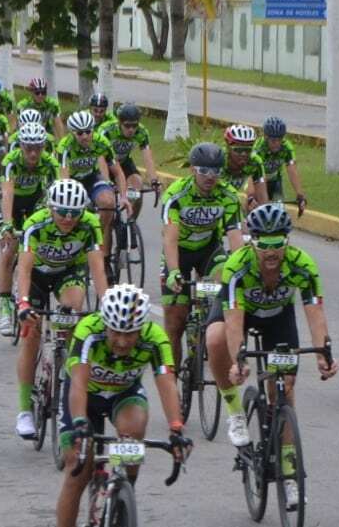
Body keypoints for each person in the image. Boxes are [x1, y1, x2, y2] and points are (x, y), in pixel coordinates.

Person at [50, 284, 190, 527]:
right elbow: (78, 386)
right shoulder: (89, 331)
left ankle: (124, 492)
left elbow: (166, 384)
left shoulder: (155, 339)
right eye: (116, 333)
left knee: (135, 429)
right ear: (106, 325)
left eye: (131, 334)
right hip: (84, 396)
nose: (123, 341)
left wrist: (176, 428)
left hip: (124, 394)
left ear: (142, 328)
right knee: (78, 468)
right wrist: (82, 425)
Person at [205, 203, 338, 507]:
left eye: (277, 242)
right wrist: (238, 360)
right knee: (214, 338)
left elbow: (314, 311)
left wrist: (323, 353)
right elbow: (233, 319)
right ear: (252, 241)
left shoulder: (303, 264)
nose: (271, 251)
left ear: (287, 241)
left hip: (278, 317)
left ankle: (290, 473)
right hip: (242, 313)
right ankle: (235, 412)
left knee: (284, 389)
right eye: (263, 243)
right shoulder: (237, 266)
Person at [13, 180, 107, 440]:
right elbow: (23, 268)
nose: (68, 218)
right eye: (62, 212)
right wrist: (23, 303)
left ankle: (66, 366)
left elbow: (98, 268)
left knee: (74, 308)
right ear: (51, 208)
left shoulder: (90, 224)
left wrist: (107, 304)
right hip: (36, 277)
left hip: (68, 272)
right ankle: (24, 411)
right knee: (31, 334)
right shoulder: (36, 224)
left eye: (74, 213)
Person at [159, 142, 245, 365]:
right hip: (179, 251)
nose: (210, 176)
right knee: (174, 320)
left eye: (216, 171)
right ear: (192, 170)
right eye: (204, 171)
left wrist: (242, 272)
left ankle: (207, 323)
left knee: (224, 276)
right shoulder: (176, 195)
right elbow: (170, 238)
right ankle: (174, 376)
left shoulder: (228, 196)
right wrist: (174, 272)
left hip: (209, 249)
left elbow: (235, 238)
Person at [0, 123, 61, 335]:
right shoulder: (10, 162)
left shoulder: (50, 163)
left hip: (35, 203)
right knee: (9, 249)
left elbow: (55, 197)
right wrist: (7, 224)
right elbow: (7, 193)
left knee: (41, 243)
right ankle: (5, 306)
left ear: (43, 146)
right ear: (21, 146)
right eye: (28, 148)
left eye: (38, 147)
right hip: (12, 204)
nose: (33, 153)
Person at [57, 109, 123, 260]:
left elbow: (118, 172)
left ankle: (96, 239)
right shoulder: (65, 146)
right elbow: (64, 178)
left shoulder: (101, 142)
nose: (85, 136)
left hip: (91, 177)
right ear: (72, 133)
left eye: (88, 131)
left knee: (108, 203)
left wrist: (124, 197)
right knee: (73, 210)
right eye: (80, 133)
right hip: (72, 181)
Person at [98, 102, 159, 222]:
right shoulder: (106, 131)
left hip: (124, 162)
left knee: (138, 187)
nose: (131, 130)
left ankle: (131, 222)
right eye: (127, 126)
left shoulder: (141, 132)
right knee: (108, 198)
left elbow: (147, 157)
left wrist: (154, 180)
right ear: (119, 122)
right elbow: (100, 158)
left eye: (134, 125)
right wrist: (107, 181)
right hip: (105, 163)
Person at [254, 116, 306, 209]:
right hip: (257, 180)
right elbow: (258, 176)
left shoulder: (286, 147)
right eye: (273, 140)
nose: (277, 143)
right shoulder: (258, 149)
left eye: (280, 139)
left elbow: (292, 171)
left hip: (275, 181)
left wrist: (300, 194)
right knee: (258, 209)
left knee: (279, 210)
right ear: (266, 137)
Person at [220, 124, 268, 210]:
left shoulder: (255, 161)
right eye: (238, 150)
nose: (243, 154)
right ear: (228, 147)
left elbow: (263, 198)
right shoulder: (219, 160)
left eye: (248, 150)